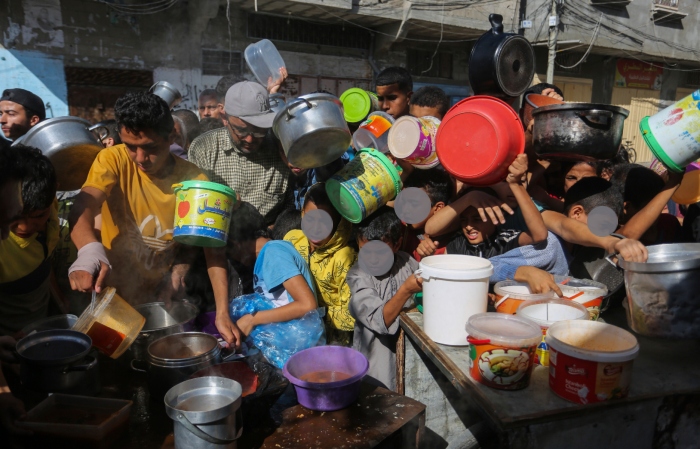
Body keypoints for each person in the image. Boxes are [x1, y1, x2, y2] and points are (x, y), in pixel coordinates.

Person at [67, 91, 241, 347]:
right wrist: (88, 251)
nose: (140, 158)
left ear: (171, 136)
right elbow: (84, 204)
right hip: (111, 292)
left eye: (150, 148)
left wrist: (221, 313)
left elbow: (210, 249)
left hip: (160, 292)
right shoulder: (112, 160)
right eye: (131, 147)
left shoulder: (194, 181)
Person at [189, 82, 291, 225]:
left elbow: (289, 209)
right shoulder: (204, 149)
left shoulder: (280, 147)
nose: (250, 139)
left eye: (259, 131)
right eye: (241, 131)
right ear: (224, 118)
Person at [348, 206, 422, 390]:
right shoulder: (358, 276)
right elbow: (380, 320)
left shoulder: (407, 262)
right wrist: (406, 290)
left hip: (409, 364)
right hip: (375, 373)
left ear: (397, 244)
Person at [225, 203, 318, 337]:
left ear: (235, 243)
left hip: (298, 342)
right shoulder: (267, 255)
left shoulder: (273, 252)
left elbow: (307, 305)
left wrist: (252, 319)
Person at [285, 183, 357, 345]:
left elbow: (352, 316)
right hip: (295, 334)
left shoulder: (345, 258)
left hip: (332, 344)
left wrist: (314, 313)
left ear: (338, 221)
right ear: (303, 214)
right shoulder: (292, 241)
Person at [0, 145, 58, 336]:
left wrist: (60, 300)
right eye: (15, 218)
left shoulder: (48, 201)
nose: (24, 228)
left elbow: (44, 262)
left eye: (38, 216)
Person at [400, 168, 452, 260]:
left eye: (414, 204)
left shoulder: (451, 246)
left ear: (438, 208)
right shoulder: (401, 228)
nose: (405, 209)